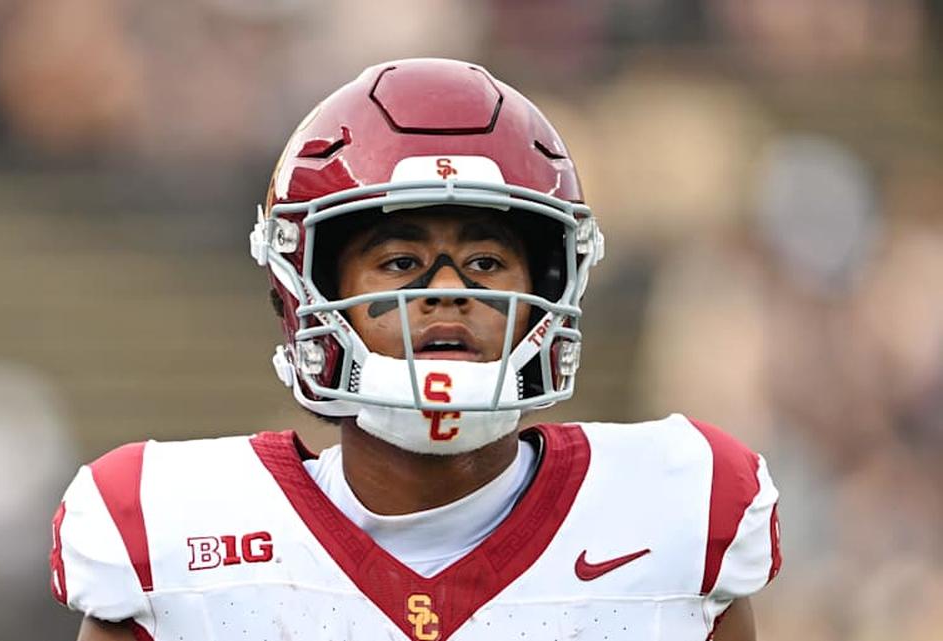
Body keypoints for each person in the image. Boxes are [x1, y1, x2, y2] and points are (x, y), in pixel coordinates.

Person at [49, 58, 781, 641]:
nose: (447, 293)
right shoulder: (174, 537)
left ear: (552, 287)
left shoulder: (674, 516)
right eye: (400, 262)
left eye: (488, 263)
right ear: (303, 290)